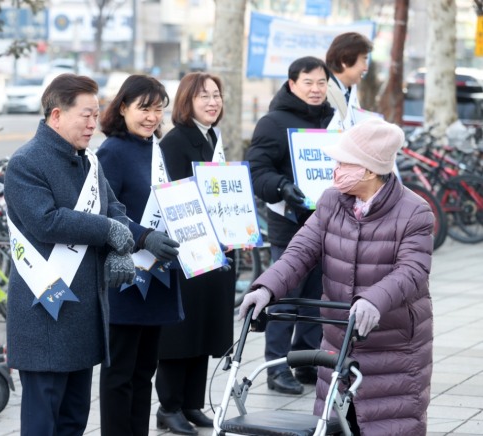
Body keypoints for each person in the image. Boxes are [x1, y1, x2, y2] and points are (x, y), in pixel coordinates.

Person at [239, 117, 434, 435]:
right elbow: (300, 252)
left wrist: (373, 299)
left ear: (370, 169)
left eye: (344, 163)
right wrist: (266, 288)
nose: (335, 169)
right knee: (334, 427)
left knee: (389, 425)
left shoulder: (415, 211)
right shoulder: (331, 201)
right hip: (337, 340)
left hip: (392, 347)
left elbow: (412, 270)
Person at [3, 73, 136, 436]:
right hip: (45, 307)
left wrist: (118, 247)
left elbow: (114, 207)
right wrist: (107, 231)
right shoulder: (26, 162)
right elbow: (46, 221)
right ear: (57, 115)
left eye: (96, 114)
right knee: (43, 418)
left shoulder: (89, 161)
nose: (94, 123)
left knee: (74, 417)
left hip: (83, 310)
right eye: (86, 115)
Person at [95, 75, 184, 436]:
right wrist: (141, 237)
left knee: (145, 370)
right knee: (120, 373)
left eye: (158, 108)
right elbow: (103, 211)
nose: (152, 117)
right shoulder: (111, 152)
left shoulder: (156, 149)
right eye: (144, 108)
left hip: (158, 274)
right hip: (126, 274)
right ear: (123, 107)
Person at [245, 56, 334, 395]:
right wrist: (282, 186)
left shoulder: (333, 120)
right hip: (291, 225)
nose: (316, 89)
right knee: (284, 297)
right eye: (308, 82)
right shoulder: (273, 122)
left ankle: (306, 362)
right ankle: (277, 367)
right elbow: (257, 171)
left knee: (317, 298)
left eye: (321, 83)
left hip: (328, 223)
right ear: (292, 83)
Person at [156, 72, 235, 435]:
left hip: (213, 247)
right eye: (204, 96)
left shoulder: (212, 138)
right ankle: (168, 406)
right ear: (186, 101)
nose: (212, 102)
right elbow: (176, 198)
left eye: (216, 95)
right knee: (181, 331)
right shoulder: (175, 142)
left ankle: (192, 403)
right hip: (185, 248)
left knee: (204, 325)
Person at [325, 32, 374, 130]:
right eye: (363, 60)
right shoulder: (321, 92)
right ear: (344, 61)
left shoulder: (350, 91)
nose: (366, 68)